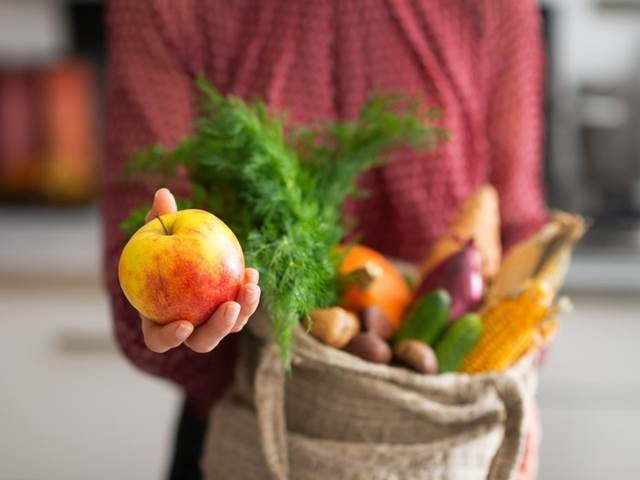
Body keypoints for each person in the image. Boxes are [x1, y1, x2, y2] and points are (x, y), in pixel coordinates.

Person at [104, 1, 546, 478]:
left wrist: (519, 383)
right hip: (257, 429)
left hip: (445, 438)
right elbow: (139, 228)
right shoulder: (166, 9)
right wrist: (172, 310)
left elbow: (519, 227)